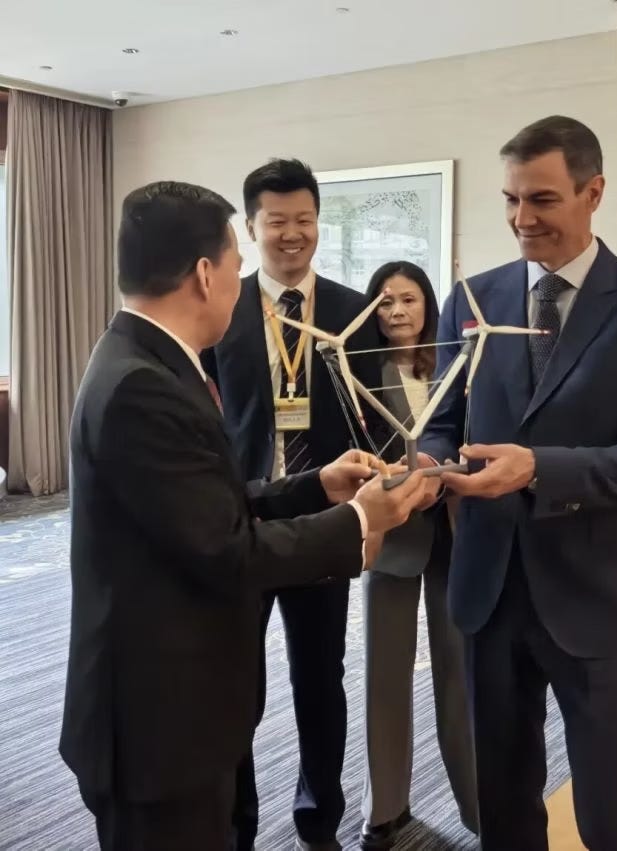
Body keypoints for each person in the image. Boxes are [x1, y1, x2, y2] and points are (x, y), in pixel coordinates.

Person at [60, 180, 426, 851]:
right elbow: (226, 548)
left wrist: (316, 485)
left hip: (171, 709)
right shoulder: (143, 385)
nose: (240, 280)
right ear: (206, 274)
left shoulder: (145, 360)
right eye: (236, 261)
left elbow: (202, 504)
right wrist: (357, 523)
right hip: (157, 726)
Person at [418, 116, 617, 850]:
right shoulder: (471, 299)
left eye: (541, 199)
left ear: (593, 192)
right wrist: (425, 464)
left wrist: (539, 468)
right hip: (487, 587)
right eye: (510, 199)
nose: (522, 219)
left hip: (597, 592)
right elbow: (442, 422)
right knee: (503, 805)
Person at [201, 158, 381, 851]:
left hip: (324, 520)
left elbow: (371, 417)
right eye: (277, 221)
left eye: (304, 219)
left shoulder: (352, 310)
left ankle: (318, 819)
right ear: (251, 228)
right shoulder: (222, 309)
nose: (292, 233)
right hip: (241, 517)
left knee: (320, 677)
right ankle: (237, 826)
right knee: (233, 681)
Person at [359, 262, 478, 850]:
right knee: (385, 675)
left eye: (408, 299)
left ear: (429, 305)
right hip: (392, 537)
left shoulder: (459, 365)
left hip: (455, 534)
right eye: (384, 302)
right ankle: (384, 808)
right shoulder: (358, 372)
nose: (397, 311)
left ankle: (479, 807)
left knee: (460, 673)